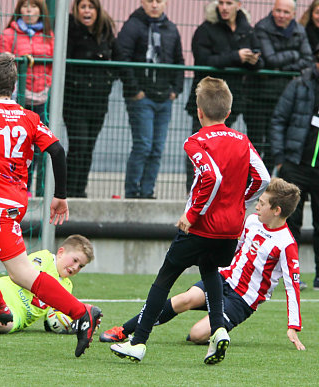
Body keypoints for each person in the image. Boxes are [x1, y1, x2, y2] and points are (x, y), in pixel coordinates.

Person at [0, 53, 101, 357]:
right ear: (14, 87)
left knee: (20, 273)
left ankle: (81, 314)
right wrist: (60, 195)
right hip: (11, 200)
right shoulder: (29, 117)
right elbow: (57, 151)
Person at [109, 76, 270, 364]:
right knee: (210, 271)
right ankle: (219, 329)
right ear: (228, 111)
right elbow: (263, 178)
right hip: (230, 231)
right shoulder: (242, 140)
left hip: (201, 228)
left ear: (199, 111)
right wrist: (240, 204)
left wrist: (192, 214)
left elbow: (211, 176)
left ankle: (138, 342)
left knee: (164, 279)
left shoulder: (195, 141)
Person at [102, 178, 305, 352]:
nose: (257, 206)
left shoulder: (286, 244)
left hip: (242, 300)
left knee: (196, 335)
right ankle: (124, 330)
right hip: (223, 279)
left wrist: (293, 325)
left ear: (277, 210)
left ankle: (216, 329)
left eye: (262, 203)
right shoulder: (252, 221)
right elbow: (235, 248)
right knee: (184, 299)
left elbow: (292, 286)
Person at [185, 0, 263, 191]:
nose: (224, 7)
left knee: (231, 147)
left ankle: (227, 189)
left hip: (236, 97)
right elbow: (203, 60)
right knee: (201, 146)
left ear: (238, 4)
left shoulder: (247, 29)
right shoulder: (206, 28)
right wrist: (236, 57)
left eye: (229, 3)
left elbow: (261, 61)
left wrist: (252, 60)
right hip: (207, 97)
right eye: (221, 2)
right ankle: (195, 189)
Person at [63, 0, 134, 198]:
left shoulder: (105, 31)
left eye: (90, 7)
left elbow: (119, 59)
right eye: (83, 7)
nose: (87, 11)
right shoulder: (70, 29)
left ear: (97, 10)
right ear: (76, 10)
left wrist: (124, 83)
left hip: (98, 100)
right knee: (79, 145)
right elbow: (65, 63)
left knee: (89, 148)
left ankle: (80, 190)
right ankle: (67, 192)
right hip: (75, 100)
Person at [117, 0, 184, 199]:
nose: (154, 5)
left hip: (165, 98)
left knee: (157, 148)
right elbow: (122, 56)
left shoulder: (171, 29)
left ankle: (147, 192)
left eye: (158, 1)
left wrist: (176, 90)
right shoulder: (133, 25)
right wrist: (134, 89)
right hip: (141, 97)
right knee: (143, 145)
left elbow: (179, 59)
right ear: (142, 3)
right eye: (149, 1)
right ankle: (132, 192)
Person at [243, 0, 314, 173]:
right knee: (255, 143)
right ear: (272, 11)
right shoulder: (262, 27)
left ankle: (266, 180)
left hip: (283, 95)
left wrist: (284, 66)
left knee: (275, 143)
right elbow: (270, 59)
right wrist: (294, 54)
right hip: (258, 96)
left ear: (294, 14)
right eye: (278, 11)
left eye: (286, 12)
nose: (281, 15)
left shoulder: (299, 30)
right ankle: (250, 182)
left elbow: (308, 60)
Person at [0, 0, 54, 197]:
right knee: (15, 143)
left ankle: (28, 187)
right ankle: (11, 185)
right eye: (25, 6)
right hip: (16, 96)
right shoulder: (9, 33)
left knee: (37, 144)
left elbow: (53, 62)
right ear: (19, 9)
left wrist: (45, 80)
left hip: (41, 96)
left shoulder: (48, 35)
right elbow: (2, 63)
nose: (29, 10)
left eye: (34, 6)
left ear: (41, 10)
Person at [270, 62, 319, 291]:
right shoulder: (298, 85)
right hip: (295, 165)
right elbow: (278, 119)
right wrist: (281, 158)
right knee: (291, 224)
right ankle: (291, 274)